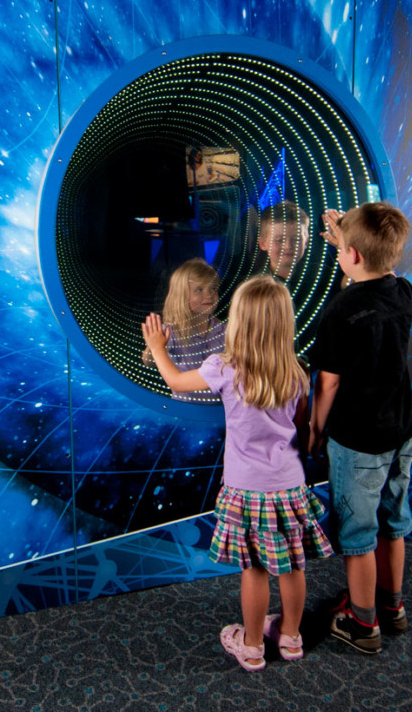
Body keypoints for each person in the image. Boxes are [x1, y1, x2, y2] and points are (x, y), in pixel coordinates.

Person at [142, 276, 332, 671]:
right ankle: (291, 638)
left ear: (238, 323)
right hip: (288, 487)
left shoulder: (224, 368)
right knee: (294, 565)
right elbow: (298, 425)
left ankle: (251, 645)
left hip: (246, 490)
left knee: (256, 569)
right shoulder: (297, 372)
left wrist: (159, 349)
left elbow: (177, 381)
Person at [309, 202, 412, 655]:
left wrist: (314, 430)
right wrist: (347, 239)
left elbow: (327, 383)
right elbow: (376, 272)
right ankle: (392, 608)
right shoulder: (404, 292)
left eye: (341, 250)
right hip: (401, 430)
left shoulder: (339, 311)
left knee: (357, 535)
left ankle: (362, 622)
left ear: (352, 256)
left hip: (358, 437)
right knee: (393, 524)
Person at [142, 259, 225, 402]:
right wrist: (155, 347)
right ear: (181, 295)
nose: (209, 295)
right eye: (199, 290)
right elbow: (148, 361)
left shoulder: (225, 329)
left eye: (213, 289)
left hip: (219, 409)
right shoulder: (171, 331)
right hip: (185, 410)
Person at [256, 200, 310, 281]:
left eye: (296, 239)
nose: (288, 246)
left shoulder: (322, 276)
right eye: (279, 240)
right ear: (263, 244)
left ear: (306, 241)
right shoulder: (254, 288)